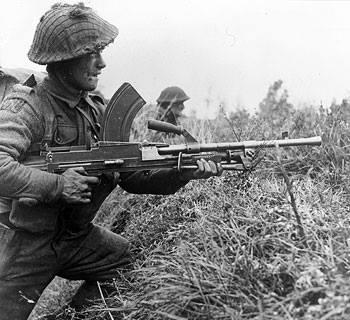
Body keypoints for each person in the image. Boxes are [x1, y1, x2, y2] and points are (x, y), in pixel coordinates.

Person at [0, 3, 222, 319]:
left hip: (74, 239)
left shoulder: (95, 109)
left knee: (126, 264)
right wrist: (59, 185)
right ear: (64, 59)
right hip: (24, 247)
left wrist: (181, 170)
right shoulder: (28, 105)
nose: (102, 63)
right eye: (91, 54)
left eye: (101, 52)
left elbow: (129, 176)